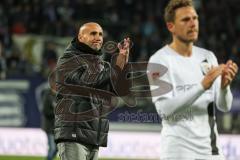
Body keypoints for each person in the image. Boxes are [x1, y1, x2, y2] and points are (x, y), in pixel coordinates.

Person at [147, 0, 238, 160]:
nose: (192, 23)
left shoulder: (208, 57)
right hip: (178, 153)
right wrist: (202, 86)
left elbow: (224, 106)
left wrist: (224, 87)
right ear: (171, 27)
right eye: (185, 20)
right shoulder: (159, 61)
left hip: (211, 151)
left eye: (195, 18)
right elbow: (164, 110)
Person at [53, 22, 130, 160]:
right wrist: (116, 68)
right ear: (81, 37)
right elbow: (89, 82)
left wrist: (123, 63)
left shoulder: (101, 65)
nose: (98, 37)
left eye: (100, 34)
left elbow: (119, 90)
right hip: (73, 134)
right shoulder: (69, 60)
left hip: (93, 137)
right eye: (93, 33)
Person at [41, 85, 58, 160]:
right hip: (49, 127)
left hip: (57, 127)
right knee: (52, 148)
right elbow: (45, 111)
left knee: (57, 148)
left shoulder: (58, 97)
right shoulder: (47, 97)